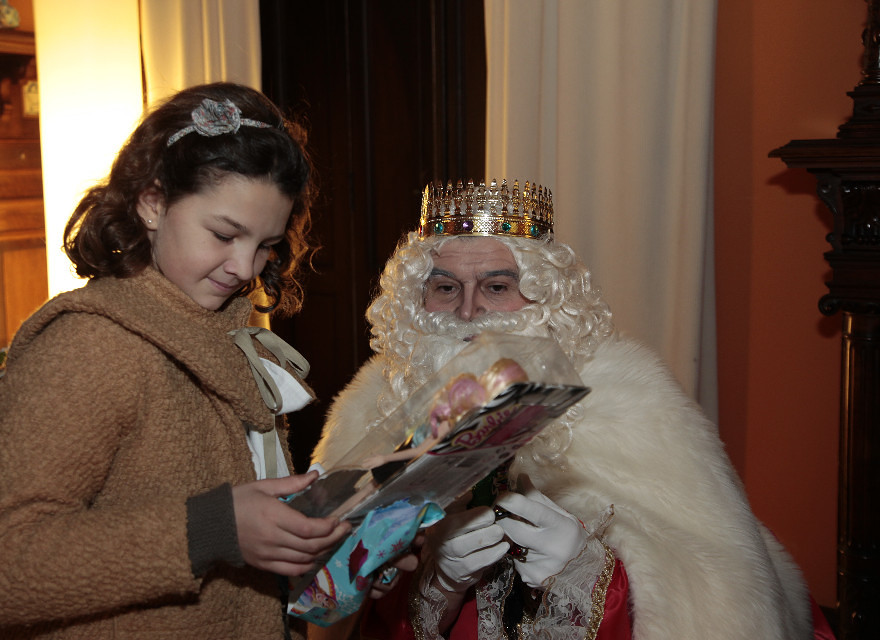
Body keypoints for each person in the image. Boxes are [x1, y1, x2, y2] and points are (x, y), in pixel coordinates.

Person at [310, 179, 836, 639]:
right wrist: (436, 587)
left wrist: (586, 573)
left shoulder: (629, 396)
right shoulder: (373, 408)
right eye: (445, 288)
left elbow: (720, 591)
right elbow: (331, 608)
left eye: (498, 286)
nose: (469, 311)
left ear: (547, 296)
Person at [0, 83, 354, 639]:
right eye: (224, 234)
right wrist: (210, 531)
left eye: (266, 244)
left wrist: (340, 552)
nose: (245, 267)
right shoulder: (89, 344)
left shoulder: (227, 330)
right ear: (152, 203)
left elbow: (247, 545)